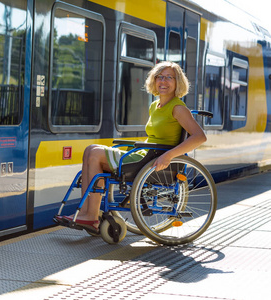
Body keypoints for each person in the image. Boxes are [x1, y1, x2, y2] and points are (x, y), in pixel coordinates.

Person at [59, 61, 207, 232]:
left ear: (177, 82)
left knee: (94, 154)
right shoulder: (155, 106)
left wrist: (169, 156)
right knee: (90, 150)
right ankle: (86, 212)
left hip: (153, 160)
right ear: (154, 80)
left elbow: (199, 137)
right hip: (144, 154)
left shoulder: (178, 108)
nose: (163, 81)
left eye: (169, 78)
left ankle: (91, 216)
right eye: (160, 77)